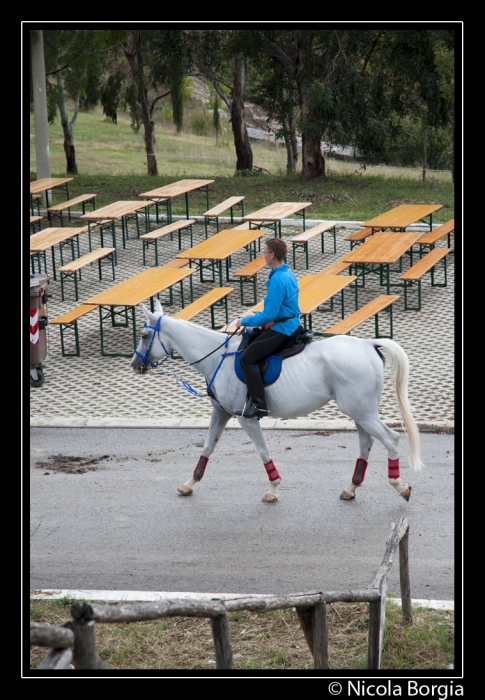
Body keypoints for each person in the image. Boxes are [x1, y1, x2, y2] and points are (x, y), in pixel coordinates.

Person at [235, 238, 301, 418]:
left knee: (247, 358)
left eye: (264, 252)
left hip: (283, 328)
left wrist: (245, 321)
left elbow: (269, 315)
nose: (263, 255)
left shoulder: (278, 279)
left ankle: (259, 404)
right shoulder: (287, 273)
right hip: (290, 321)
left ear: (272, 255)